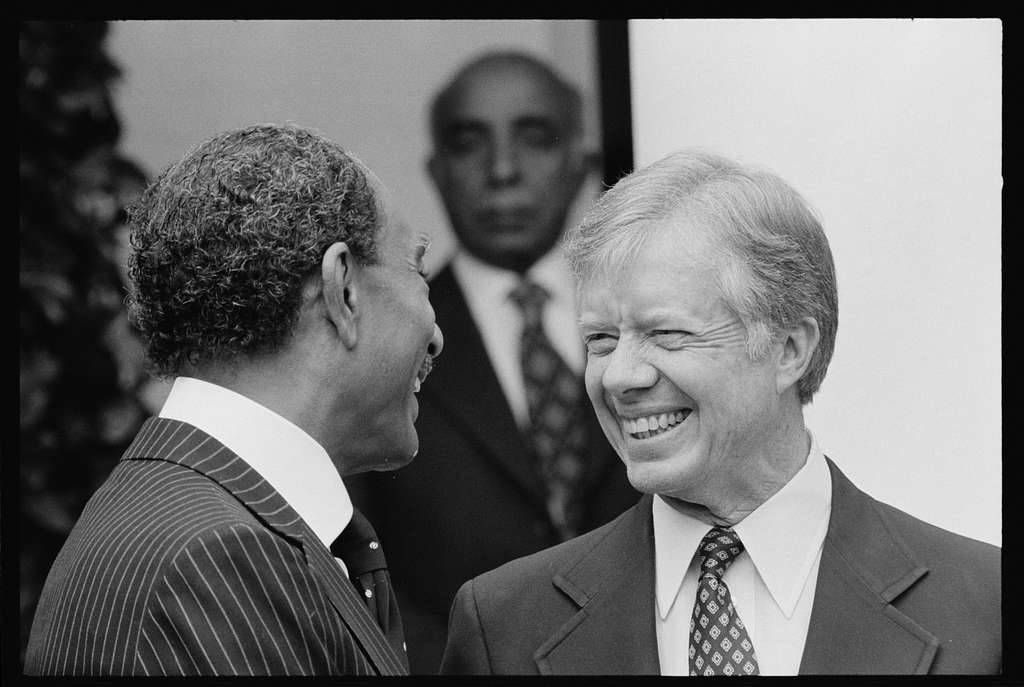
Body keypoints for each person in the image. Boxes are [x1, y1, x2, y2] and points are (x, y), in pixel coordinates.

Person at [441, 149, 1001, 675]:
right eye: (601, 340)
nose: (620, 377)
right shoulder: (504, 624)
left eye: (666, 335)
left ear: (789, 349)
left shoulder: (985, 608)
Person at [25, 123, 443, 676]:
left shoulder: (197, 519)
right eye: (418, 271)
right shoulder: (217, 558)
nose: (435, 335)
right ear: (342, 287)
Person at [346, 50, 639, 673]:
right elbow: (359, 575)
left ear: (581, 163)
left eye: (534, 138)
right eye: (468, 143)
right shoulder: (379, 343)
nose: (502, 171)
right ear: (437, 171)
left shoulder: (652, 321)